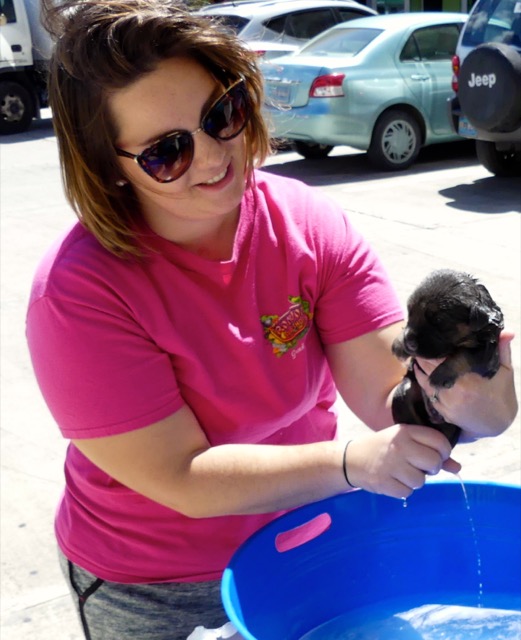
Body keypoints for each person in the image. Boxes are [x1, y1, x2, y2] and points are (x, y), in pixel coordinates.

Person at [26, 1, 517, 638]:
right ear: (106, 166)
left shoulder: (306, 224)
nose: (211, 158)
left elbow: (386, 398)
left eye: (220, 115)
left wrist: (470, 389)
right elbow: (182, 476)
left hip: (302, 543)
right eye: (166, 152)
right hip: (152, 585)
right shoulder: (78, 292)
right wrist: (350, 463)